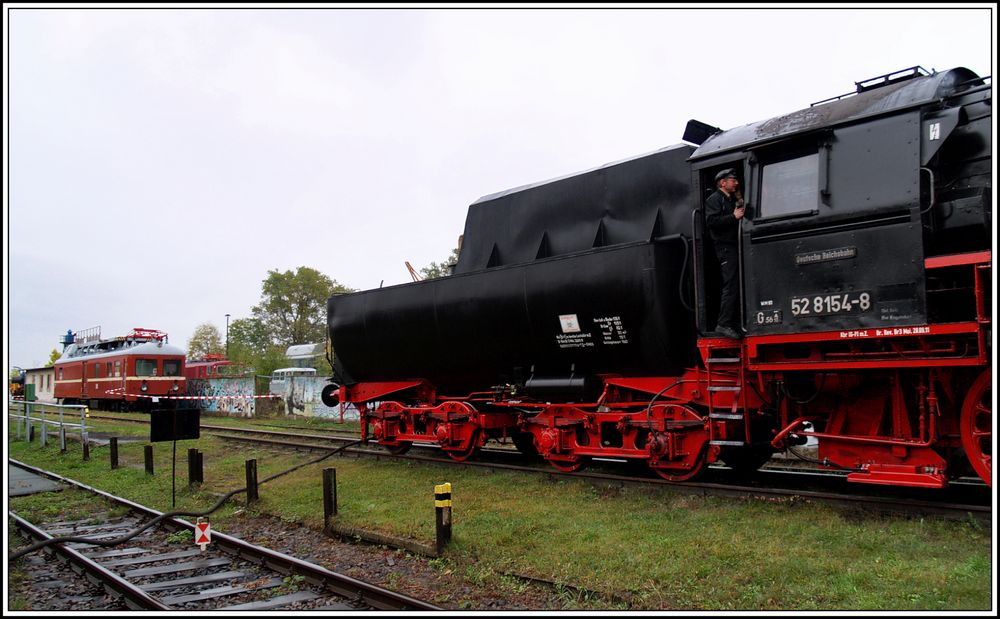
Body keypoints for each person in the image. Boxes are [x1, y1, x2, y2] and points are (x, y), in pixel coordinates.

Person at [705, 168, 745, 339]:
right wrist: (733, 217)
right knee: (731, 284)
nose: (736, 182)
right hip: (725, 247)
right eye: (732, 180)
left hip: (734, 246)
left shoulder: (729, 199)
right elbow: (711, 221)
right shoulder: (714, 199)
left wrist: (739, 200)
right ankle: (723, 323)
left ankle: (734, 320)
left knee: (738, 282)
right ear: (722, 182)